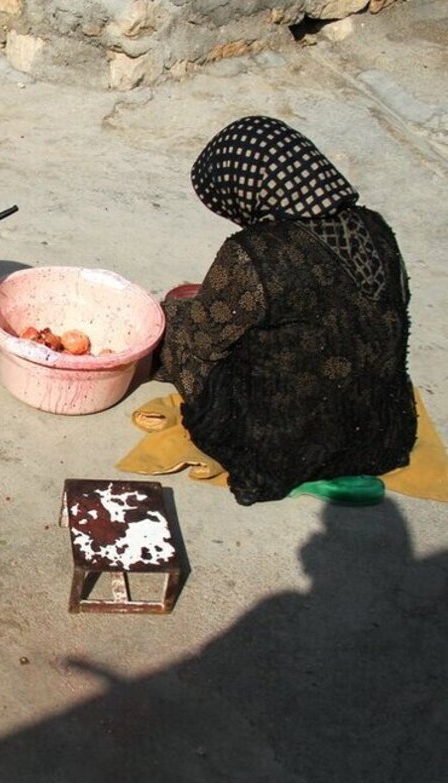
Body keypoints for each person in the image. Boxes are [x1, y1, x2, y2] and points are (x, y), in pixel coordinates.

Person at [156, 116, 417, 505]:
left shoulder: (255, 252)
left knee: (171, 322)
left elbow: (203, 339)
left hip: (273, 443)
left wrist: (179, 311)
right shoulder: (375, 228)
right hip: (377, 433)